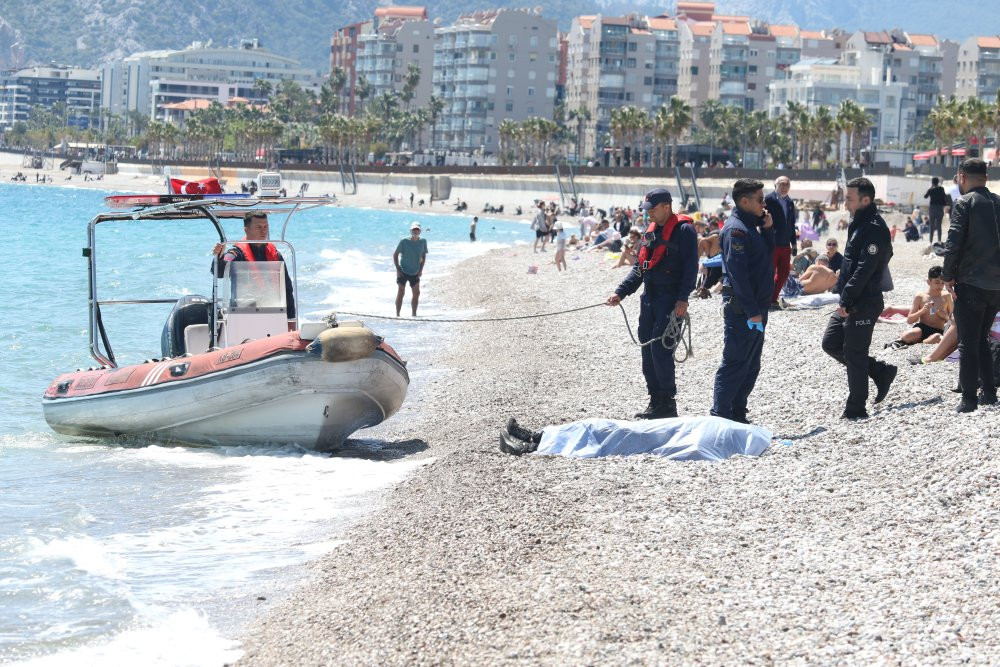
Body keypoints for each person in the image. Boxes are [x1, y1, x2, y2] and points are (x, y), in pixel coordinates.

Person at [606, 188, 698, 420]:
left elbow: (691, 268)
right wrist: (620, 292)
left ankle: (667, 403)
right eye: (646, 210)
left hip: (671, 300)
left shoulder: (684, 231)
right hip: (649, 299)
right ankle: (655, 400)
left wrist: (683, 299)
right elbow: (640, 267)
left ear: (667, 206)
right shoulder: (651, 232)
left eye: (652, 209)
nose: (649, 214)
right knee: (647, 350)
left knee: (660, 351)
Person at [821, 177, 897, 419]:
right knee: (831, 342)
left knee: (854, 352)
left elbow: (866, 268)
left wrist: (847, 299)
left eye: (849, 198)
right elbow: (852, 263)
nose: (845, 202)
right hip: (851, 297)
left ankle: (856, 408)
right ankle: (879, 371)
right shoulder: (858, 221)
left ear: (865, 200)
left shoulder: (874, 227)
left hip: (864, 300)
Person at [711, 179, 774, 423]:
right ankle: (721, 416)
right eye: (760, 200)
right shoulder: (736, 230)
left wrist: (768, 229)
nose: (763, 204)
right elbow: (738, 274)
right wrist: (751, 310)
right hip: (743, 310)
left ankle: (737, 413)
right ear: (745, 201)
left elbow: (767, 257)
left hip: (756, 307)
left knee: (751, 363)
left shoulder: (751, 226)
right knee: (735, 362)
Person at [942, 158, 1000, 412]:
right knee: (982, 338)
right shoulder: (998, 202)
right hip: (996, 286)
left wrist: (947, 275)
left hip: (971, 283)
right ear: (986, 178)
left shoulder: (965, 202)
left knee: (967, 341)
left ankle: (968, 399)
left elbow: (953, 242)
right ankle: (989, 393)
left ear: (962, 177)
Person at [212, 212, 297, 332]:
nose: (263, 231)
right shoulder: (236, 254)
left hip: (273, 313)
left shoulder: (276, 255)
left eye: (266, 227)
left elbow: (287, 289)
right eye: (258, 227)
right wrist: (219, 256)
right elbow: (219, 272)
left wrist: (291, 320)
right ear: (246, 230)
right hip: (243, 315)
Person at [885, 266, 953, 348]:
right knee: (908, 335)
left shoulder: (946, 296)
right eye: (937, 282)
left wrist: (945, 316)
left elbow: (954, 320)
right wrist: (922, 311)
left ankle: (916, 342)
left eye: (942, 283)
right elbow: (910, 320)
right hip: (922, 328)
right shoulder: (920, 297)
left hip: (938, 330)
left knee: (937, 337)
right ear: (928, 282)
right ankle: (905, 340)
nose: (940, 286)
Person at [764, 176, 797, 308]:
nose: (784, 187)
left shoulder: (790, 202)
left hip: (785, 243)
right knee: (769, 273)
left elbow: (791, 224)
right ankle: (766, 299)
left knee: (784, 273)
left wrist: (794, 243)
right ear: (775, 185)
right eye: (781, 184)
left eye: (787, 184)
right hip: (771, 243)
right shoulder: (768, 200)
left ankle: (773, 298)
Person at [393, 221, 428, 317]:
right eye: (413, 230)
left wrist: (420, 270)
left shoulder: (423, 241)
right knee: (401, 292)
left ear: (420, 231)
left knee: (416, 293)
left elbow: (423, 256)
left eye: (417, 230)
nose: (415, 231)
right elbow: (395, 255)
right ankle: (397, 315)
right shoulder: (404, 241)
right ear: (410, 231)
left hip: (415, 272)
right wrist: (398, 269)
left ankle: (414, 315)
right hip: (403, 271)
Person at [924, 177, 949, 244]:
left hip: (932, 208)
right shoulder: (941, 189)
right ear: (938, 182)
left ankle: (930, 241)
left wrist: (930, 187)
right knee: (939, 225)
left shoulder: (930, 189)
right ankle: (939, 240)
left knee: (931, 225)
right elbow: (945, 196)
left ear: (932, 182)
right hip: (940, 208)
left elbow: (925, 196)